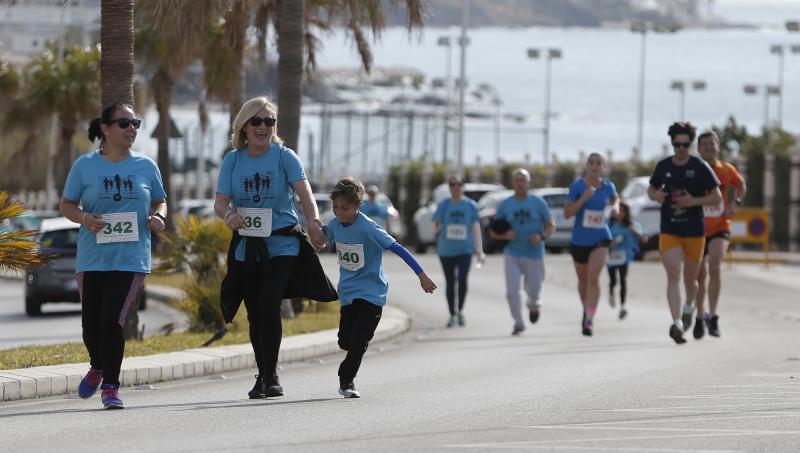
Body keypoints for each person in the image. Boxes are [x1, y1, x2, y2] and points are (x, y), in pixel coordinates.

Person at [214, 96, 328, 399]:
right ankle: (262, 375)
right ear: (244, 125)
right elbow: (220, 201)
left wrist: (314, 222)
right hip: (247, 246)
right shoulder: (233, 160)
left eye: (269, 121)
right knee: (254, 312)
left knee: (269, 303)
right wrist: (229, 216)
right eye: (257, 121)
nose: (263, 127)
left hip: (282, 244)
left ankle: (272, 375)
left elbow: (305, 193)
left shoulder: (284, 156)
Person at [60, 102, 167, 409]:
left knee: (112, 320)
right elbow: (67, 205)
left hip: (131, 257)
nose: (131, 129)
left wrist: (158, 216)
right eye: (124, 123)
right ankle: (97, 365)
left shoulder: (147, 166)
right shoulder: (85, 166)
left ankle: (111, 387)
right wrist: (84, 218)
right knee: (90, 325)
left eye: (135, 123)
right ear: (105, 129)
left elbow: (160, 201)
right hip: (93, 258)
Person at [324, 177, 437, 398]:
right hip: (348, 292)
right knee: (345, 340)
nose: (338, 212)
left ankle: (347, 381)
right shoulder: (336, 225)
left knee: (359, 340)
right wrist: (316, 234)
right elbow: (324, 239)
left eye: (344, 208)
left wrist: (421, 275)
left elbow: (398, 248)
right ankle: (349, 360)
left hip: (372, 293)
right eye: (335, 207)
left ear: (357, 206)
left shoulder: (369, 228)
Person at [648, 122, 722, 344]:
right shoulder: (663, 167)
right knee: (673, 275)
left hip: (694, 232)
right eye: (676, 144)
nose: (680, 149)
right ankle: (677, 322)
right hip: (670, 229)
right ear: (672, 143)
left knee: (692, 280)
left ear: (690, 144)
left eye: (685, 144)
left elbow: (717, 197)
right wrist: (656, 196)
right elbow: (652, 188)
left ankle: (690, 306)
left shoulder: (700, 167)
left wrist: (694, 201)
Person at [692, 130, 746, 339]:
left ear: (718, 147)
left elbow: (740, 185)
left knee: (714, 267)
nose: (708, 147)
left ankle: (712, 316)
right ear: (698, 149)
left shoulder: (727, 169)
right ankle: (699, 315)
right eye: (704, 144)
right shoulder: (694, 170)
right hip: (696, 228)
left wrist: (735, 202)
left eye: (711, 143)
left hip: (720, 226)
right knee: (699, 275)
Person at [489, 169, 555, 336]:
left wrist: (541, 236)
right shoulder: (505, 205)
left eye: (523, 180)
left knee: (534, 290)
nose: (520, 183)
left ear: (528, 183)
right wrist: (505, 235)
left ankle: (533, 305)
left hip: (534, 253)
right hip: (513, 252)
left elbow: (550, 224)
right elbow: (493, 231)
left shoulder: (538, 203)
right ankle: (519, 323)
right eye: (517, 180)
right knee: (512, 291)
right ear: (513, 183)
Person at [564, 153, 620, 336]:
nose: (595, 166)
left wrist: (616, 207)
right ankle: (586, 309)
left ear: (604, 167)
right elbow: (567, 214)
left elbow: (615, 199)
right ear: (587, 166)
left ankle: (589, 319)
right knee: (583, 281)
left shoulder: (607, 185)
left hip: (601, 238)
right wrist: (583, 198)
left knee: (593, 278)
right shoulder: (578, 186)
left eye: (599, 163)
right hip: (579, 240)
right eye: (592, 162)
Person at [432, 175, 485, 328]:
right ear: (449, 188)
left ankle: (460, 310)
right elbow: (436, 226)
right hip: (446, 250)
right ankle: (452, 314)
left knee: (462, 279)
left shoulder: (470, 205)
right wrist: (438, 226)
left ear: (463, 187)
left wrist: (479, 251)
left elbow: (476, 229)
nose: (456, 188)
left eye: (459, 184)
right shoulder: (444, 205)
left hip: (465, 250)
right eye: (452, 185)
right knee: (450, 282)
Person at [606, 202, 647, 320]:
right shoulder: (609, 224)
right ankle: (611, 292)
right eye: (618, 210)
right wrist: (611, 243)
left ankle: (623, 306)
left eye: (622, 211)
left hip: (624, 257)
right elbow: (600, 238)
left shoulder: (631, 224)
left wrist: (635, 231)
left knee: (623, 280)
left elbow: (644, 238)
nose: (620, 213)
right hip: (611, 257)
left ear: (626, 212)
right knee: (613, 281)